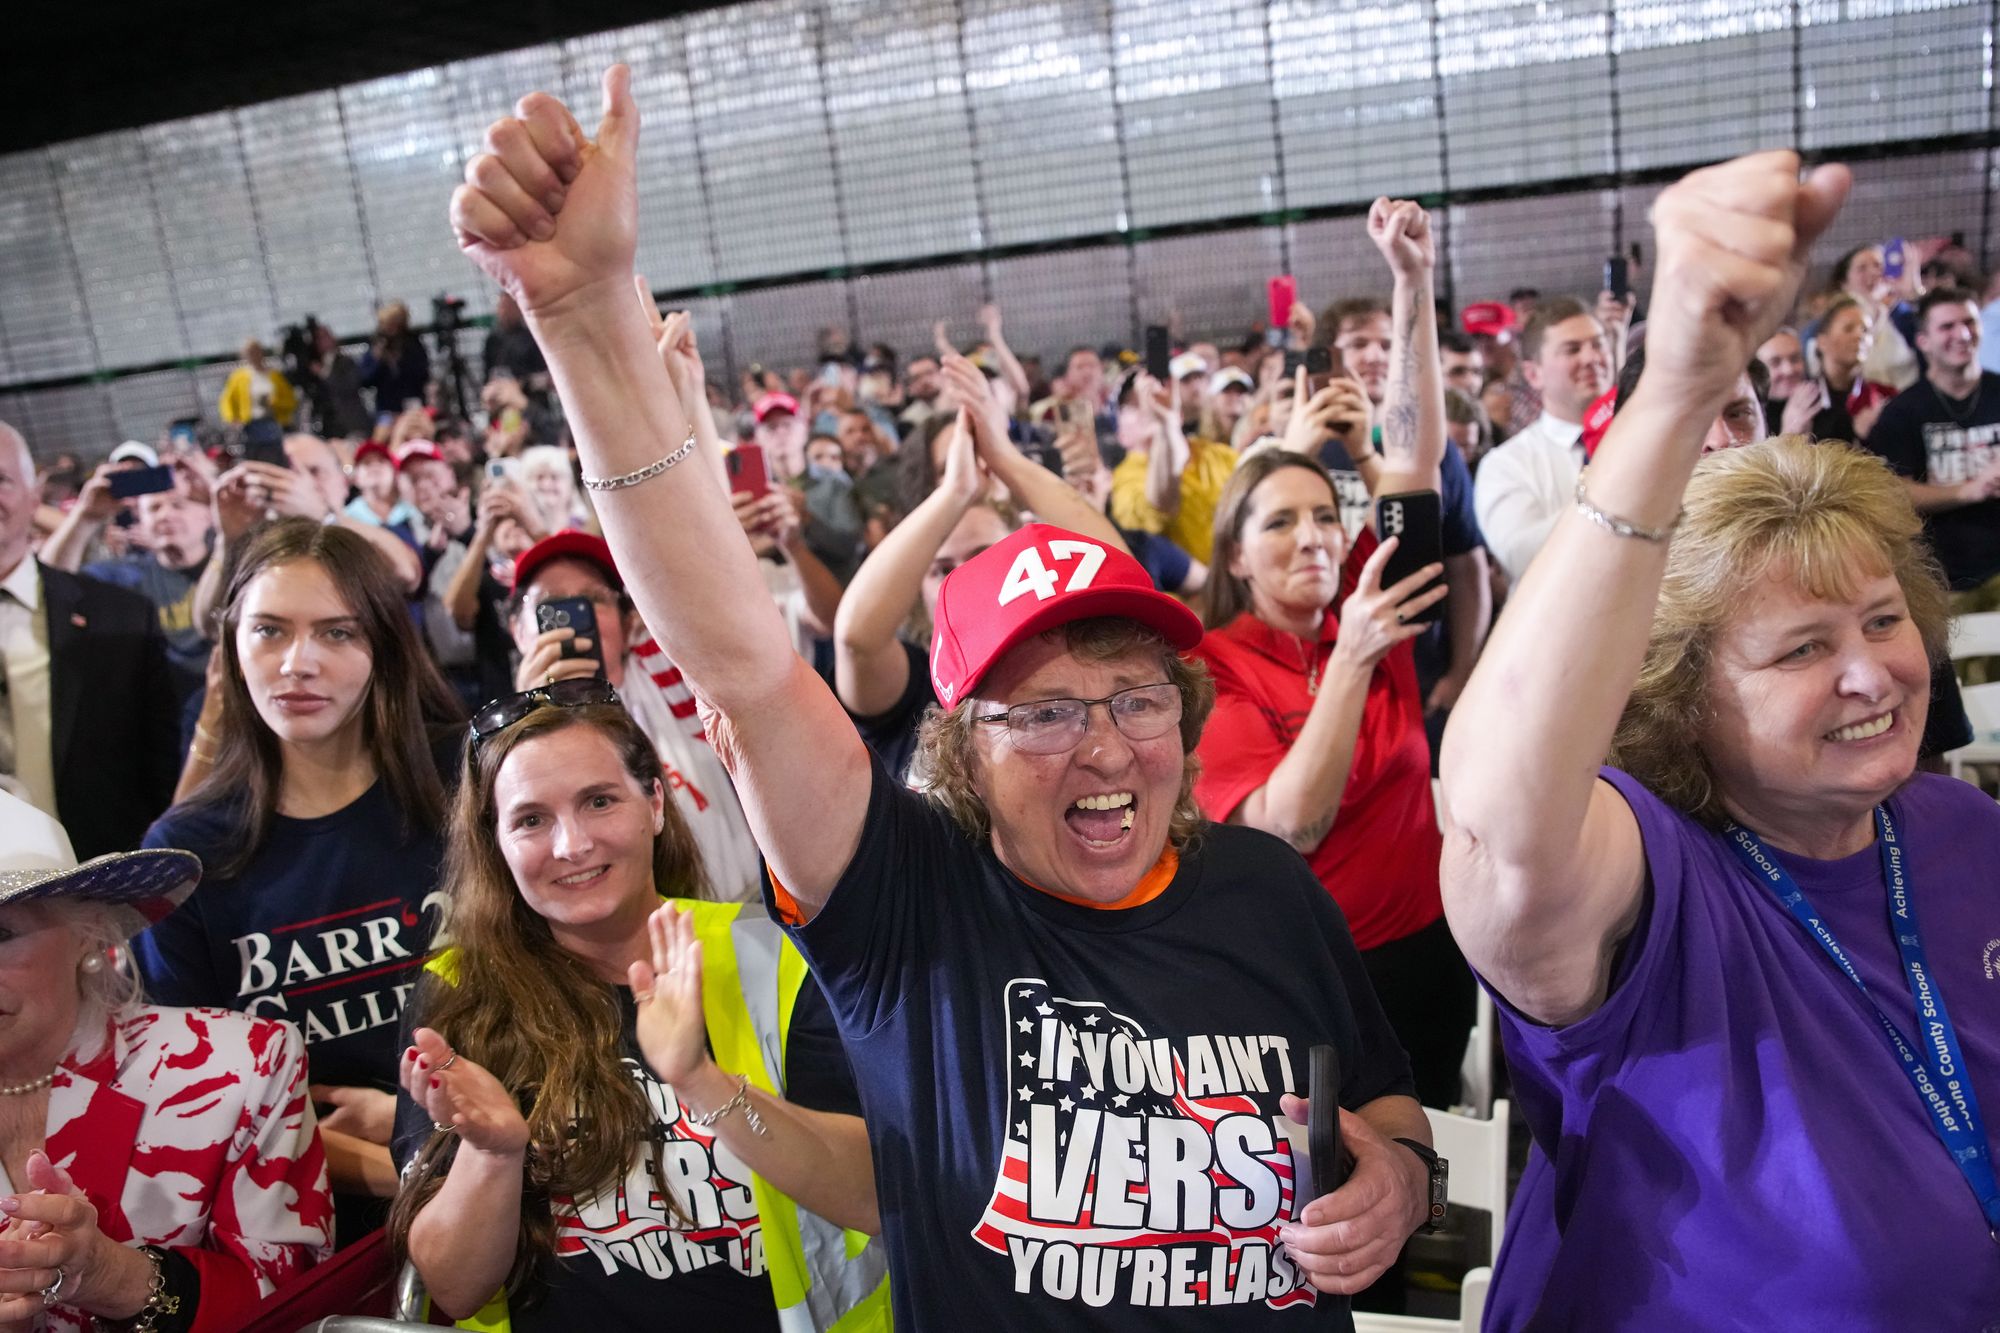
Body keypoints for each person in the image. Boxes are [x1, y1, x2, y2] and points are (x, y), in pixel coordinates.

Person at [453, 65, 1439, 1326]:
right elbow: (746, 666)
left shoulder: (1267, 893)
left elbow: (1386, 1094)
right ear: (961, 749)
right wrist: (587, 317)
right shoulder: (909, 908)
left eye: (1137, 699)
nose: (1104, 748)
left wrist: (1399, 1181)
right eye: (1042, 711)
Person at [1440, 150, 2000, 1326]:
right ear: (1680, 695)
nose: (1870, 672)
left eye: (1884, 620)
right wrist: (1680, 386)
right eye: (1800, 649)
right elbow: (1501, 834)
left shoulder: (1958, 829)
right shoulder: (1646, 887)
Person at [388, 698, 883, 1330]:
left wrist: (699, 1080)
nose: (572, 844)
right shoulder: (457, 992)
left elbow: (871, 1199)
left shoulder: (775, 957)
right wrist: (492, 1155)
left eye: (599, 801)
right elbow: (453, 1290)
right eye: (532, 820)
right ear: (496, 845)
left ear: (654, 803)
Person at [1192, 199, 1474, 1113]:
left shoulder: (1370, 586)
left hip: (1430, 953)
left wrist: (1412, 283)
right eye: (1280, 521)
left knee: (1420, 1187)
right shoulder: (1215, 663)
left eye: (1325, 514)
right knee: (1331, 1220)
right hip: (1304, 984)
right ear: (1235, 554)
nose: (1314, 536)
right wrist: (1355, 655)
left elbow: (1414, 452)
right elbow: (1288, 826)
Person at [135, 518, 463, 1240]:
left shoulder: (470, 781)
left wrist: (422, 1127)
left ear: (383, 644)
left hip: (512, 1173)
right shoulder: (186, 854)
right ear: (231, 647)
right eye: (270, 631)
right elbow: (196, 1105)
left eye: (337, 633)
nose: (297, 663)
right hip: (315, 1235)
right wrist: (404, 1164)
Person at [0, 788, 334, 1332]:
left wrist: (111, 1275)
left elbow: (297, 1309)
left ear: (89, 932)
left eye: (1, 932)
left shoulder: (240, 1068)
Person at [834, 355, 1129, 782]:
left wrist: (1006, 457)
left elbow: (1116, 570)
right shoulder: (911, 678)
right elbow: (856, 640)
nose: (965, 579)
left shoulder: (1061, 657)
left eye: (983, 557)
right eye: (941, 569)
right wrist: (955, 490)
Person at [507, 530, 764, 901]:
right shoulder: (504, 740)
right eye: (552, 605)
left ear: (629, 623)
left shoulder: (668, 678)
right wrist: (528, 715)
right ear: (517, 630)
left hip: (744, 913)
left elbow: (668, 582)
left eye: (595, 599)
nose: (578, 617)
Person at [0, 423, 181, 859]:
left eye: (0, 480)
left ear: (33, 494)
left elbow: (161, 775)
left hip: (99, 888)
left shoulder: (120, 619)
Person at [39, 458, 215, 707]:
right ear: (140, 520)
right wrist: (85, 516)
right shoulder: (126, 576)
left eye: (178, 505)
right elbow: (49, 584)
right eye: (154, 508)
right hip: (163, 713)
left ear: (208, 514)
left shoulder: (234, 562)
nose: (165, 515)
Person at [1863, 286, 2000, 603]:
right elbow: (1895, 492)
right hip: (1944, 577)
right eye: (1947, 326)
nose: (1962, 334)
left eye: (1969, 322)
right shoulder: (1903, 412)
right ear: (1923, 341)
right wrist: (1967, 491)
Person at [1472, 295, 1614, 585]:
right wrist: (1619, 490)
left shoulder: (1642, 440)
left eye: (1598, 344)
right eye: (1572, 350)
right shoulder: (1507, 464)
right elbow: (1523, 556)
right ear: (1533, 374)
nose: (1591, 358)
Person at [1107, 369, 1238, 566]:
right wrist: (1163, 426)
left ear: (1180, 413)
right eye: (1133, 405)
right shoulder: (1124, 480)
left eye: (1154, 397)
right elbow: (1161, 505)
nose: (1147, 407)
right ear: (1121, 434)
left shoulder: (1219, 456)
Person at [1781, 295, 1894, 444]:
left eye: (1865, 330)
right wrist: (1789, 434)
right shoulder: (1801, 400)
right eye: (1848, 329)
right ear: (1822, 342)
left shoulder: (1882, 399)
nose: (1860, 335)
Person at [359, 301, 432, 417]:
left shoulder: (412, 344)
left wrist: (400, 361)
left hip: (412, 402)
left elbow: (423, 374)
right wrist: (377, 360)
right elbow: (365, 380)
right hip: (387, 406)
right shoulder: (376, 345)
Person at [219, 339, 298, 430]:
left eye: (256, 352)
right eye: (251, 353)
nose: (254, 356)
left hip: (275, 422)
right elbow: (227, 400)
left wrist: (275, 402)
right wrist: (232, 418)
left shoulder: (275, 376)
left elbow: (291, 400)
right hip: (250, 424)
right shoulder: (238, 377)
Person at [1754, 326, 1807, 434]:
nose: (1789, 370)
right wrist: (1790, 434)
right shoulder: (1748, 414)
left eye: (1794, 359)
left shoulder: (1820, 403)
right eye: (1775, 362)